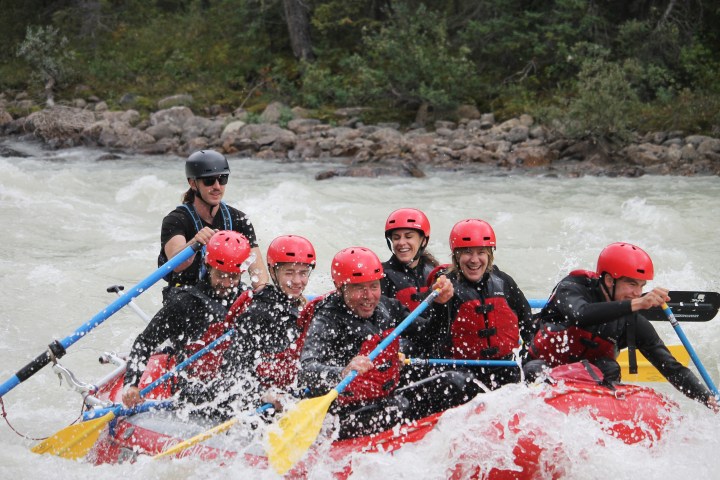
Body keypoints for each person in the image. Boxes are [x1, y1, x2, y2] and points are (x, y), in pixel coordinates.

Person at [298, 246, 477, 440]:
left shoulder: (387, 307)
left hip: (385, 396)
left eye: (374, 286)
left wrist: (441, 306)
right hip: (345, 413)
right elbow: (306, 371)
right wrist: (342, 371)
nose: (369, 296)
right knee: (397, 407)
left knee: (458, 381)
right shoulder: (326, 320)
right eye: (359, 288)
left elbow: (429, 338)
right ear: (341, 287)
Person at [525, 242, 719, 411]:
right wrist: (637, 305)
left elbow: (671, 368)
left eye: (642, 286)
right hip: (544, 369)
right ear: (610, 280)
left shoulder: (631, 320)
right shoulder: (572, 288)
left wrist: (707, 398)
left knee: (609, 367)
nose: (637, 293)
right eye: (632, 284)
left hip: (588, 387)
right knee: (536, 369)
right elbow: (580, 314)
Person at [122, 230, 251, 407]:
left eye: (233, 276)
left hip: (235, 389)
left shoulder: (248, 302)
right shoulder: (184, 303)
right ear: (208, 265)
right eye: (220, 275)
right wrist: (131, 384)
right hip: (194, 395)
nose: (227, 284)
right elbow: (145, 342)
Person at [208, 235, 318, 414]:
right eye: (289, 273)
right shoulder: (258, 313)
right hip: (255, 404)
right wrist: (263, 395)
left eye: (303, 273)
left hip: (288, 392)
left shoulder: (302, 307)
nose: (298, 281)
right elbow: (232, 373)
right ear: (273, 272)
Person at [429, 219, 534, 390]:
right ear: (456, 256)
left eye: (481, 252)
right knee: (458, 383)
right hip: (462, 371)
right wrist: (439, 303)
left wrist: (528, 354)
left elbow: (528, 322)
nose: (475, 260)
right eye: (468, 252)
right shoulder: (445, 286)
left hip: (504, 367)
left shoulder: (504, 282)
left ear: (489, 255)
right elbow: (432, 332)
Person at [158, 149, 268, 294]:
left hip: (227, 294)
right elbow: (176, 265)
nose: (217, 186)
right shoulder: (176, 220)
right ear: (193, 183)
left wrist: (263, 294)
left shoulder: (239, 219)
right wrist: (194, 243)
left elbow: (258, 275)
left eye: (222, 179)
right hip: (184, 298)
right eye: (209, 180)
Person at [381, 208, 439, 312]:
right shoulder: (382, 276)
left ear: (424, 241)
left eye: (408, 236)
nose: (401, 242)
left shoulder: (434, 273)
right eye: (396, 238)